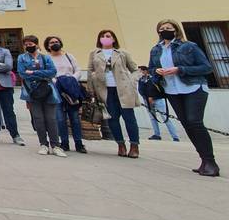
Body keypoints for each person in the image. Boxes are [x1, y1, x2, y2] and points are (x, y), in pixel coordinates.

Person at [148, 19, 218, 177]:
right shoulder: (156, 50)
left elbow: (206, 67)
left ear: (176, 30)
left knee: (195, 122)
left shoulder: (189, 46)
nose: (165, 30)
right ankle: (204, 161)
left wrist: (180, 69)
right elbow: (151, 67)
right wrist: (156, 71)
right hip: (172, 90)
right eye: (162, 28)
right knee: (187, 125)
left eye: (168, 28)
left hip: (193, 87)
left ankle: (211, 162)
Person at [88, 29, 141, 159]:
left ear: (113, 39)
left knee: (129, 118)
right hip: (105, 90)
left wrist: (131, 81)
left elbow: (135, 70)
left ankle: (134, 146)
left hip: (123, 88)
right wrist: (91, 89)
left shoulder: (122, 53)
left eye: (108, 36)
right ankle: (120, 144)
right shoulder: (95, 53)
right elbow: (90, 70)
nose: (105, 38)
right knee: (112, 119)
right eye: (102, 36)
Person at [18, 35, 66, 157]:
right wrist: (42, 74)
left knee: (51, 119)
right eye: (27, 44)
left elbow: (52, 72)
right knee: (38, 119)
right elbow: (23, 74)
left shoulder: (46, 58)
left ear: (37, 44)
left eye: (31, 44)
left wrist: (33, 72)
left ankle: (55, 145)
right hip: (32, 91)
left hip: (48, 90)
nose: (29, 46)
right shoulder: (22, 58)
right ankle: (43, 144)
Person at [45, 35, 87, 154]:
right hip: (56, 89)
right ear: (48, 46)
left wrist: (72, 79)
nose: (54, 44)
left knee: (74, 117)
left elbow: (78, 69)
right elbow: (47, 72)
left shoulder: (69, 56)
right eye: (52, 42)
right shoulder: (47, 59)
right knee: (60, 118)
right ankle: (64, 142)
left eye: (56, 41)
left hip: (71, 88)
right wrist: (56, 81)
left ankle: (79, 143)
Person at [137, 65, 180, 142]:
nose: (139, 73)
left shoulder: (153, 78)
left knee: (165, 117)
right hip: (146, 100)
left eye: (140, 71)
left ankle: (175, 136)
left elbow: (153, 88)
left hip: (157, 99)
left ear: (145, 71)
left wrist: (151, 97)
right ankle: (157, 134)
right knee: (153, 118)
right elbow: (141, 89)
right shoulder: (141, 80)